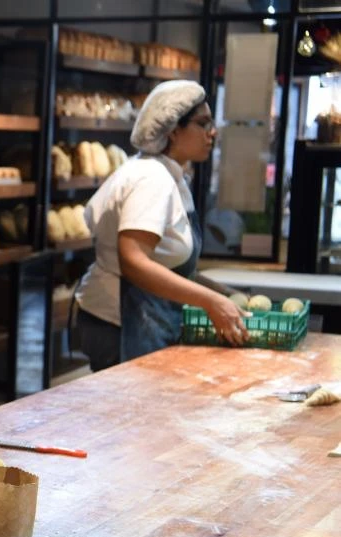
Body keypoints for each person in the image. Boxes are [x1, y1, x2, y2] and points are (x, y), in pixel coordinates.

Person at [74, 79, 248, 372]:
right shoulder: (151, 179)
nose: (212, 133)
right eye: (203, 124)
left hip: (142, 318)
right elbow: (134, 261)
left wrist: (221, 293)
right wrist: (210, 302)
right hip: (120, 324)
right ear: (173, 130)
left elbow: (167, 263)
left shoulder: (172, 177)